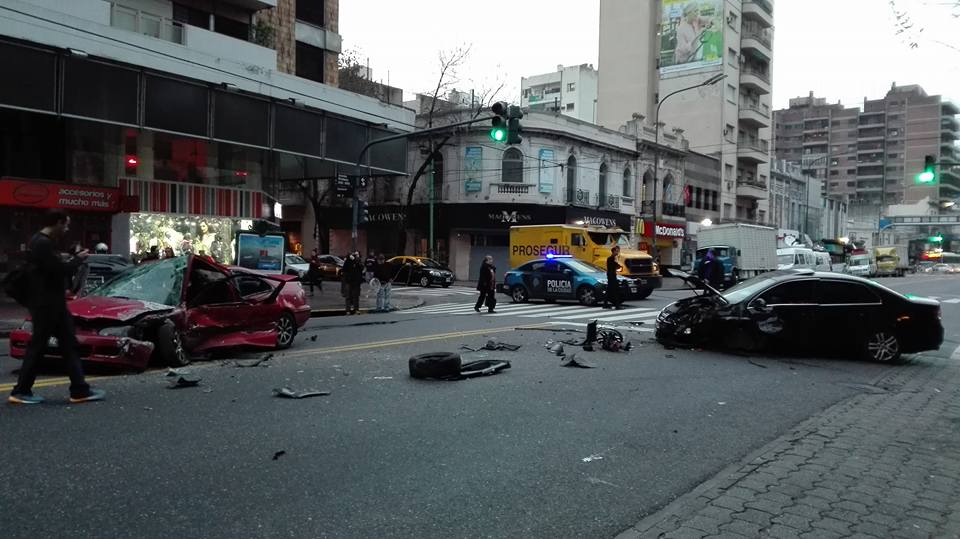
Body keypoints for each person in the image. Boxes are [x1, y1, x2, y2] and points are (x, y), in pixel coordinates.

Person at [8, 209, 105, 405]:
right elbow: (58, 270)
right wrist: (78, 260)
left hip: (52, 303)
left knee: (68, 344)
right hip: (46, 304)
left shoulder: (40, 242)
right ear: (58, 222)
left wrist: (69, 256)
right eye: (66, 224)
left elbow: (51, 265)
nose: (67, 229)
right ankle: (21, 390)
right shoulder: (42, 243)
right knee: (40, 346)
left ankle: (79, 389)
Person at [603, 245, 623, 310]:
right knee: (615, 290)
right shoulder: (611, 258)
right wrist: (618, 264)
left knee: (609, 290)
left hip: (611, 275)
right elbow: (617, 266)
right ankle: (617, 305)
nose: (617, 252)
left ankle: (605, 304)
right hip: (612, 276)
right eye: (617, 251)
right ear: (613, 251)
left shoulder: (611, 258)